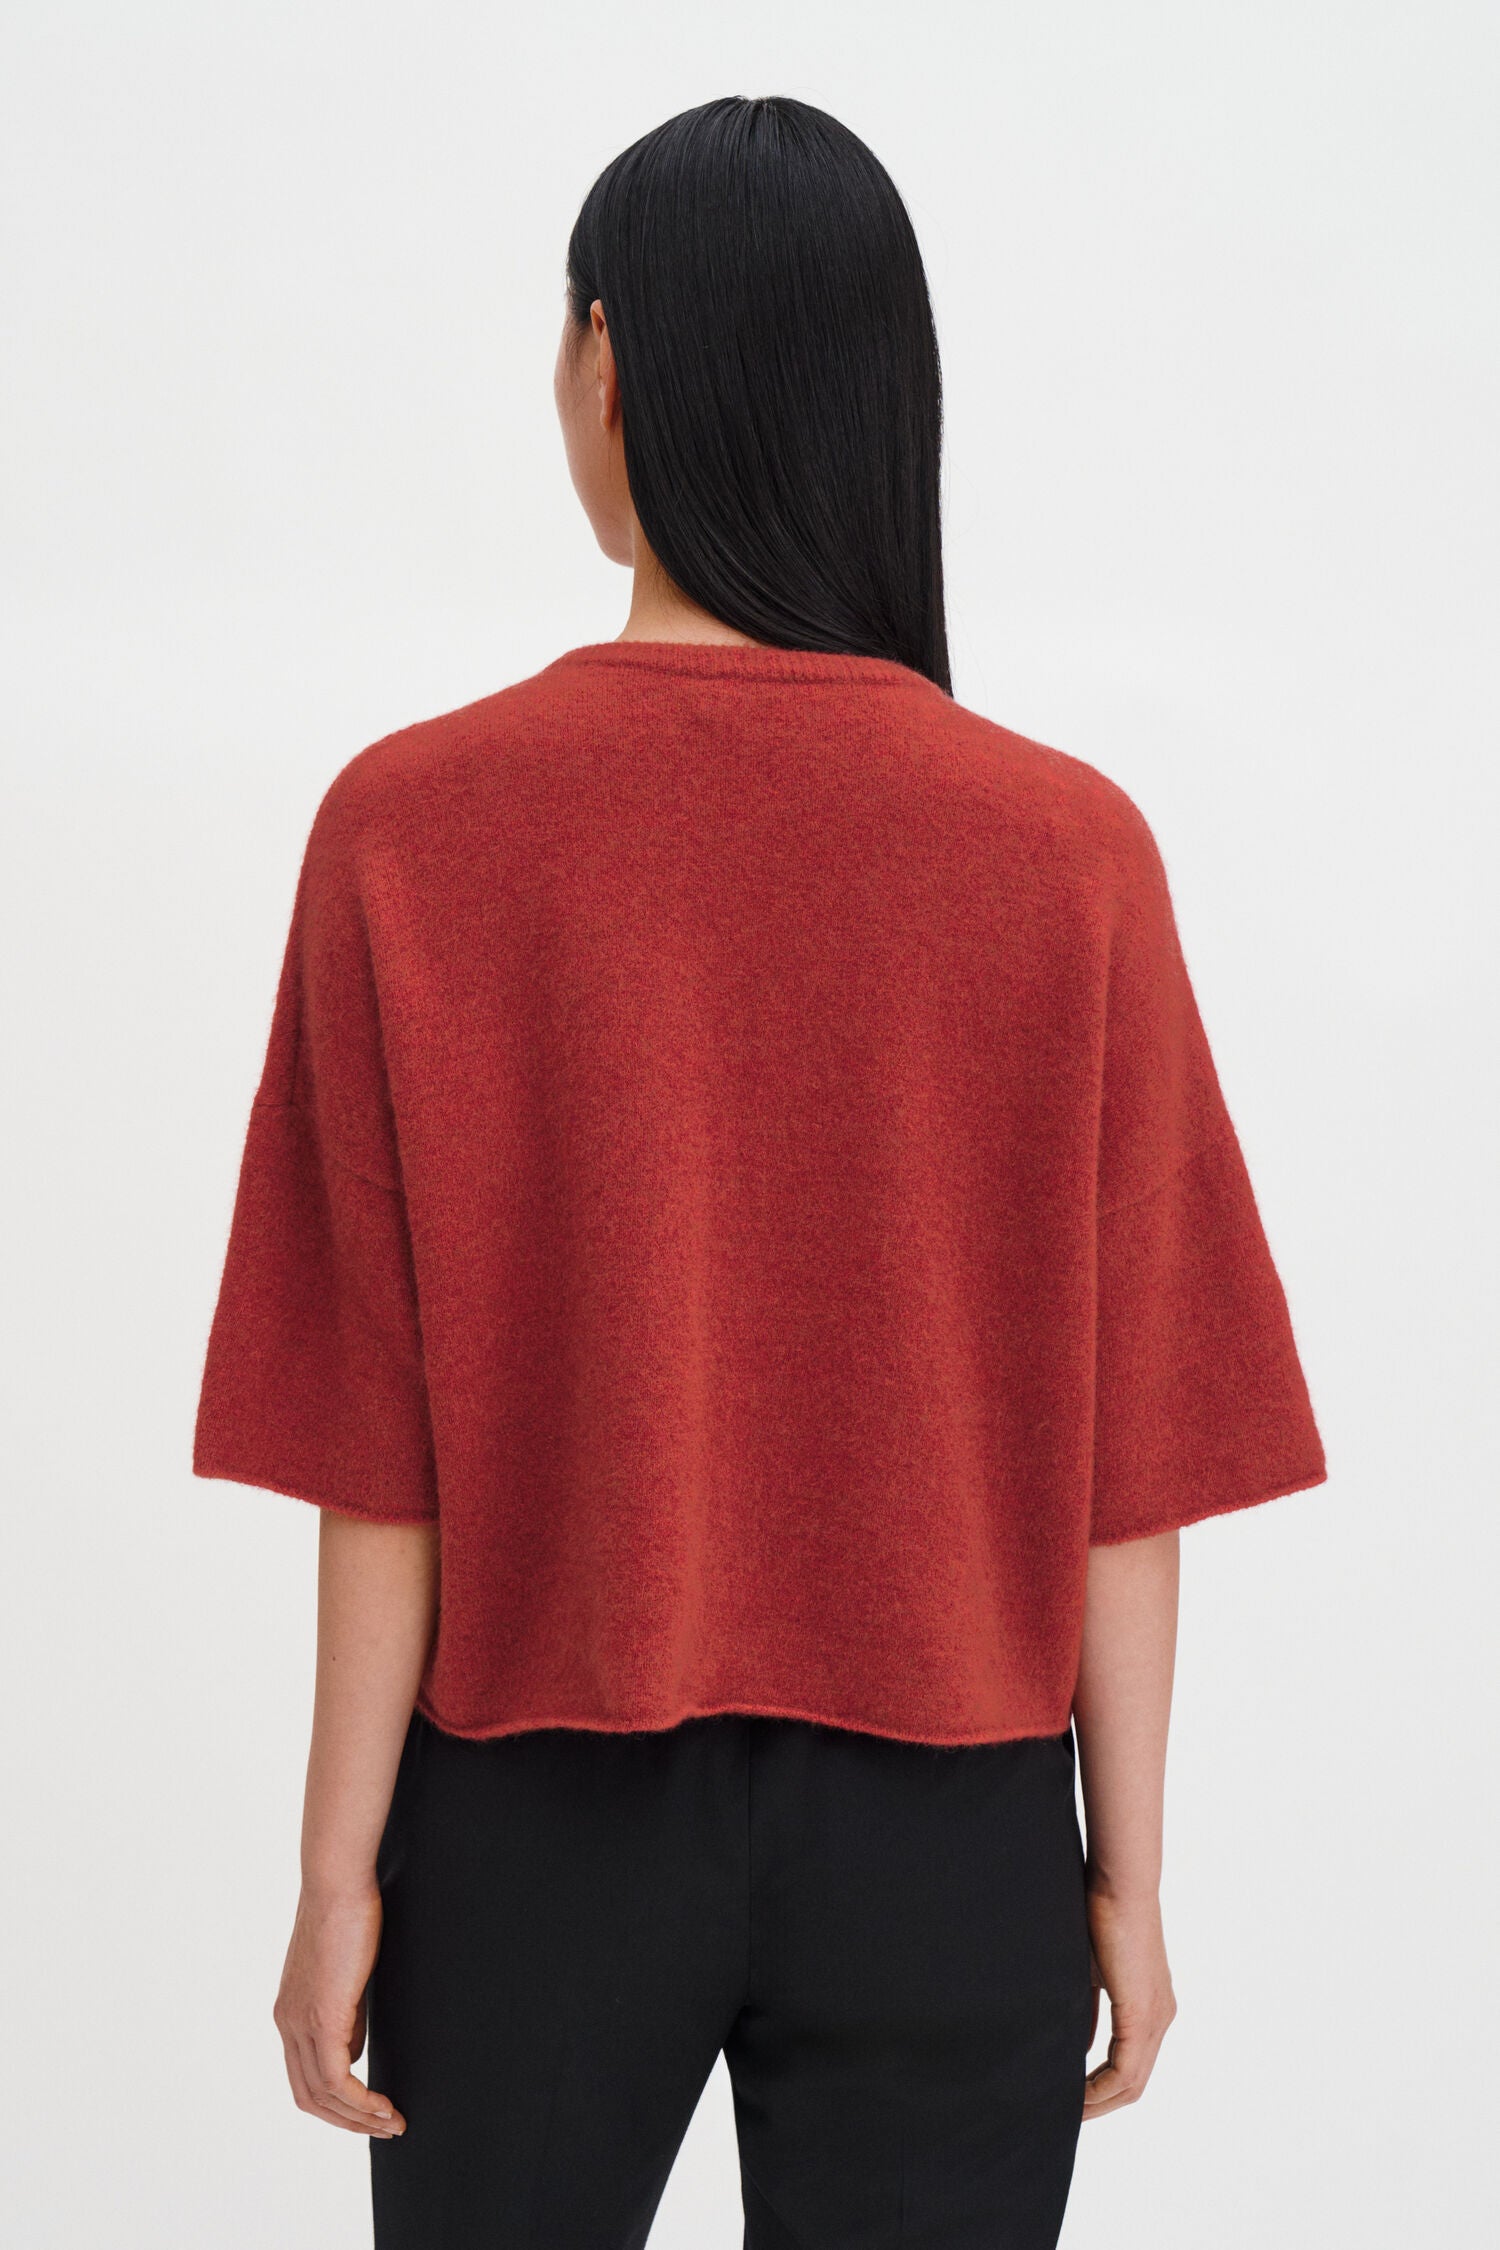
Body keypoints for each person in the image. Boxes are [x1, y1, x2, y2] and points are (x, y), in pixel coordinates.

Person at [193, 95, 1327, 2250]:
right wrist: (1129, 1867)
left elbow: (375, 1441)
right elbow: (1133, 1447)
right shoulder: (1067, 853)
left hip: (529, 1821)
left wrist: (339, 1870)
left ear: (605, 364)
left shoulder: (410, 828)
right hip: (956, 1832)